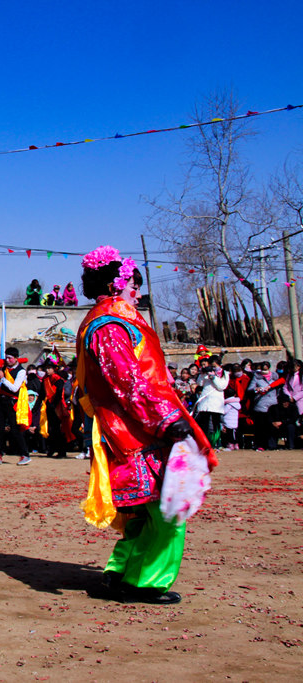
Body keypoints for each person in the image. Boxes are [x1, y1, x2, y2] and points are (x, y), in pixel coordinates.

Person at [76, 245, 216, 605]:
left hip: (138, 426)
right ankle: (146, 582)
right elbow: (128, 384)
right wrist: (167, 422)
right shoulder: (109, 326)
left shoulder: (116, 321)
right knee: (168, 509)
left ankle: (123, 573)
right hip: (136, 429)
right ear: (114, 284)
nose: (137, 291)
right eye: (132, 285)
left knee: (147, 511)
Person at [0, 348, 32, 465]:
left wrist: (3, 378)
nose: (8, 360)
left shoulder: (21, 371)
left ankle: (25, 454)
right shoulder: (3, 369)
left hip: (12, 402)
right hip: (1, 401)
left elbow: (14, 388)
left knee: (15, 429)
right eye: (6, 358)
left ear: (16, 358)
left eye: (10, 358)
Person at [194, 358, 228, 449]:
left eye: (214, 366)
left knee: (215, 423)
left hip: (216, 403)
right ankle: (205, 444)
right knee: (204, 423)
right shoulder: (206, 373)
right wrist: (202, 373)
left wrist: (213, 377)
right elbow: (200, 383)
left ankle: (216, 443)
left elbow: (221, 386)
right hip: (205, 401)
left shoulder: (224, 373)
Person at [247, 361, 281, 450]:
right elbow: (250, 389)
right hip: (260, 404)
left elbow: (279, 389)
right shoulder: (256, 377)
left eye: (266, 369)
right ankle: (260, 445)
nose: (264, 371)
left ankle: (272, 444)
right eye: (263, 369)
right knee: (261, 426)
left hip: (273, 404)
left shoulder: (275, 376)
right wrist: (257, 389)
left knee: (272, 426)